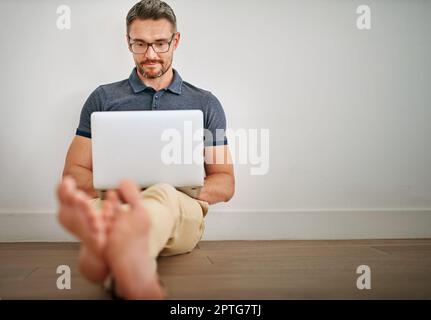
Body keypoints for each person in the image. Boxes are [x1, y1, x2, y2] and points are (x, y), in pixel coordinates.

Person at [56, 0, 235, 299]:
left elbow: (226, 182)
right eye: (140, 44)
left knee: (162, 193)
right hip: (117, 204)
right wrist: (130, 192)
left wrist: (170, 190)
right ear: (128, 42)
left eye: (161, 44)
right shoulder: (102, 99)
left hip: (180, 215)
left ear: (176, 41)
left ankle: (121, 257)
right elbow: (72, 177)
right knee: (117, 213)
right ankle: (130, 263)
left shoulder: (205, 103)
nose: (151, 55)